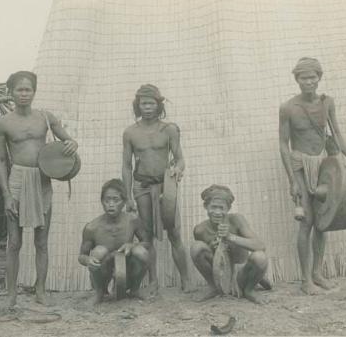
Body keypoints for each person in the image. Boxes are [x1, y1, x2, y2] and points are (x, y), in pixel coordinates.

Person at [278, 57, 346, 295]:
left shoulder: (327, 103)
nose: (309, 82)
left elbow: (336, 134)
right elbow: (283, 145)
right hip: (300, 165)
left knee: (323, 223)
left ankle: (317, 272)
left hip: (324, 166)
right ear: (297, 80)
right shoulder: (288, 108)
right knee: (306, 222)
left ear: (319, 78)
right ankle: (306, 280)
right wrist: (292, 180)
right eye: (304, 77)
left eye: (313, 77)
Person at [0, 71, 78, 307]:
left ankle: (40, 291)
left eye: (28, 89)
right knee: (14, 242)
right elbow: (0, 160)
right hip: (18, 179)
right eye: (19, 89)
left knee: (41, 241)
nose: (23, 94)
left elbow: (69, 141)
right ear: (11, 93)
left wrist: (72, 143)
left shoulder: (45, 117)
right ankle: (11, 294)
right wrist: (7, 196)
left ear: (34, 91)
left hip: (42, 180)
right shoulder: (3, 123)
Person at [122, 84, 190, 294]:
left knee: (175, 233)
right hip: (141, 186)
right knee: (146, 236)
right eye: (144, 103)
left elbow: (179, 159)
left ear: (158, 105)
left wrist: (178, 170)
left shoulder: (168, 129)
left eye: (151, 103)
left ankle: (186, 279)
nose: (148, 107)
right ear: (138, 105)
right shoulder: (130, 132)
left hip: (165, 187)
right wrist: (128, 197)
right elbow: (126, 166)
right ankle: (153, 281)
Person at [190, 185, 270, 303]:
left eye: (221, 208)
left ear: (228, 208)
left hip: (241, 273)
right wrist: (213, 248)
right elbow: (209, 260)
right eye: (213, 207)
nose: (217, 212)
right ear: (205, 206)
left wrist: (230, 237)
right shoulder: (200, 230)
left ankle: (249, 290)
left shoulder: (236, 220)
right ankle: (213, 287)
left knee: (260, 257)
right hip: (222, 275)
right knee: (196, 248)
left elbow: (260, 246)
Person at [78, 179, 150, 305]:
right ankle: (99, 293)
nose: (111, 204)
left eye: (115, 200)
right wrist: (88, 260)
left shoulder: (132, 221)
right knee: (99, 251)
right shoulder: (92, 227)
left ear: (124, 202)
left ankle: (134, 290)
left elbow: (147, 242)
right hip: (103, 271)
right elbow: (81, 256)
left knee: (141, 252)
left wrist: (132, 245)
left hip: (127, 270)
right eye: (107, 200)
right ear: (102, 201)